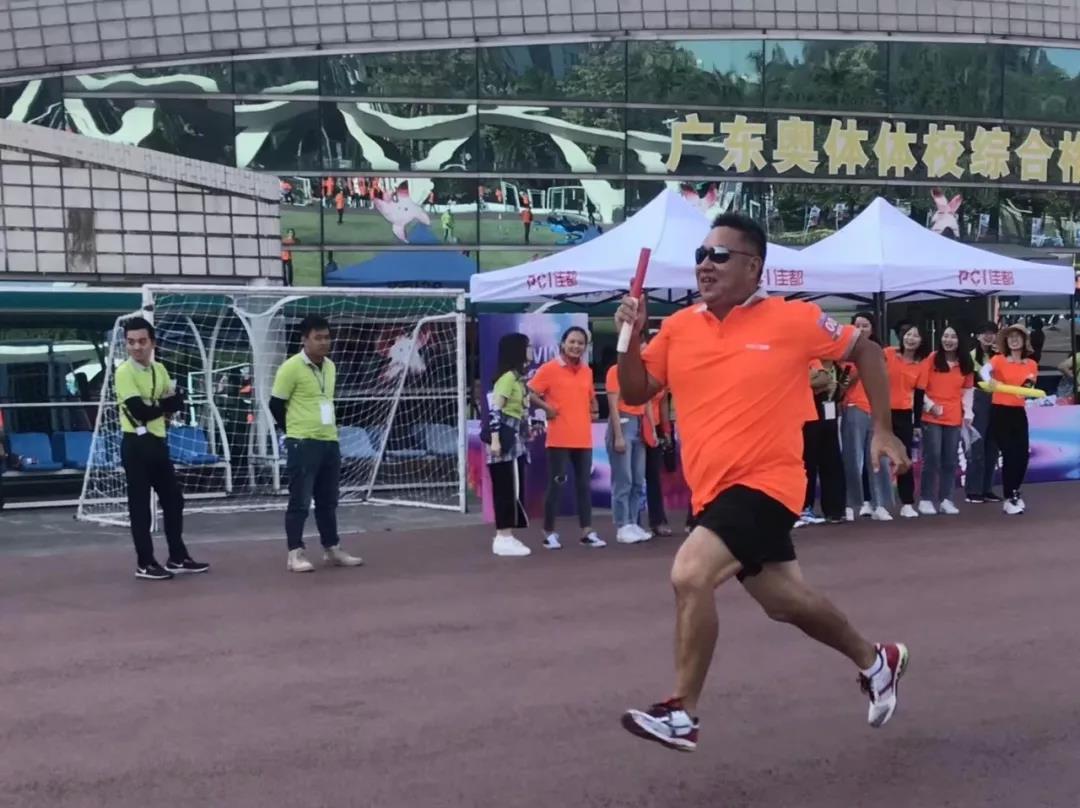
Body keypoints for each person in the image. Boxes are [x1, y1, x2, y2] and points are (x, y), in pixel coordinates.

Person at [615, 213, 911, 752]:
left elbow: (866, 351)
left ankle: (682, 711)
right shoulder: (679, 327)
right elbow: (636, 392)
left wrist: (883, 430)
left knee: (690, 574)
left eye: (720, 256)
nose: (705, 265)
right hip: (712, 491)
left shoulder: (792, 319)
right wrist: (629, 339)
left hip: (769, 484)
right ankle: (876, 661)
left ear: (753, 267)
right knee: (785, 602)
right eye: (701, 255)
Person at [114, 317, 209, 581]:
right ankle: (145, 562)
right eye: (131, 342)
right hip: (135, 443)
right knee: (140, 506)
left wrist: (160, 407)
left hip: (157, 441)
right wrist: (163, 406)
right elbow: (139, 411)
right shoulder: (124, 372)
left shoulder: (160, 369)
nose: (137, 347)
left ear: (152, 343)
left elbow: (176, 403)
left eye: (142, 341)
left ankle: (177, 556)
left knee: (173, 499)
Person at [270, 315, 365, 572]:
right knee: (300, 500)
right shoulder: (291, 367)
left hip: (329, 440)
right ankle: (295, 553)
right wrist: (293, 431)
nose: (324, 342)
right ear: (305, 339)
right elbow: (275, 404)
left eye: (327, 337)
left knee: (328, 500)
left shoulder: (330, 367)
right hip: (303, 441)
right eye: (318, 338)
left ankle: (332, 548)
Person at [528, 327, 605, 549]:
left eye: (580, 343)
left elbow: (590, 397)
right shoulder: (549, 369)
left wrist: (594, 408)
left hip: (583, 438)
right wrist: (547, 408)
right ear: (563, 343)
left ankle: (587, 532)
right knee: (556, 485)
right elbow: (530, 392)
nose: (576, 346)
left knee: (584, 486)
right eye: (572, 342)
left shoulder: (587, 371)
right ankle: (549, 532)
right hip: (559, 439)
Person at [840, 312, 893, 521]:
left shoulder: (880, 352)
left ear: (873, 329)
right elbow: (841, 385)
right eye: (858, 326)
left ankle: (881, 504)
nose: (861, 330)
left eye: (865, 326)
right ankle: (853, 503)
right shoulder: (845, 354)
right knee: (853, 458)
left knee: (879, 459)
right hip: (854, 408)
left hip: (877, 410)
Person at [916, 327, 975, 516]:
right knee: (932, 457)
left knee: (950, 460)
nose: (948, 340)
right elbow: (920, 387)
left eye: (953, 336)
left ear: (960, 340)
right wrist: (930, 405)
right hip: (931, 416)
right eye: (945, 336)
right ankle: (926, 499)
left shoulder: (965, 363)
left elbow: (968, 391)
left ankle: (946, 499)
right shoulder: (932, 359)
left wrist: (968, 413)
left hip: (954, 417)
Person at [486, 333, 534, 558]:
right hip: (504, 438)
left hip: (515, 438)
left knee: (514, 486)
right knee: (505, 487)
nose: (531, 350)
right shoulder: (507, 378)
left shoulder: (518, 379)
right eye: (527, 346)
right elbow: (495, 410)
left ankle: (507, 534)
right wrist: (495, 440)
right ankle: (503, 537)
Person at [984, 324, 1039, 515]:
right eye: (1010, 337)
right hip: (1000, 412)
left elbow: (1028, 387)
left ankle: (1015, 491)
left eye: (1018, 336)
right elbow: (984, 371)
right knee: (1009, 455)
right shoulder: (998, 359)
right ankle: (1009, 498)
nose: (1014, 340)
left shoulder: (1031, 364)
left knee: (1022, 455)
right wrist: (992, 381)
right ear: (1006, 341)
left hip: (1018, 412)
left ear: (1024, 340)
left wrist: (1022, 390)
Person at [605, 350, 652, 544]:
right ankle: (622, 525)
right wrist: (618, 435)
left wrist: (652, 429)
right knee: (624, 479)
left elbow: (648, 403)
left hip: (640, 424)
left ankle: (632, 522)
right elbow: (613, 405)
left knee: (638, 480)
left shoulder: (643, 374)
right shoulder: (616, 371)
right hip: (623, 422)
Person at [884, 323, 929, 518]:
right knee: (878, 458)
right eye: (908, 335)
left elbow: (919, 397)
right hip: (881, 411)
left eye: (915, 336)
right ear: (902, 337)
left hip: (903, 414)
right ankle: (877, 502)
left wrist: (917, 423)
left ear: (921, 341)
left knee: (904, 458)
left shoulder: (922, 365)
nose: (911, 339)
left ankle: (907, 502)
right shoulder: (887, 353)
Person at [800, 359, 846, 525]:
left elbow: (837, 390)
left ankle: (835, 510)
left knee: (832, 462)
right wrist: (822, 384)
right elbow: (807, 382)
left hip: (830, 416)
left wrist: (835, 387)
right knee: (808, 463)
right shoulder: (810, 360)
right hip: (809, 416)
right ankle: (804, 507)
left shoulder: (838, 367)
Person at [966, 321, 1001, 503]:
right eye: (985, 333)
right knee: (977, 446)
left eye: (992, 333)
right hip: (979, 401)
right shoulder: (971, 356)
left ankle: (987, 489)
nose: (988, 336)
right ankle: (973, 490)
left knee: (992, 448)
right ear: (978, 336)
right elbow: (975, 381)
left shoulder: (1000, 356)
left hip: (998, 401)